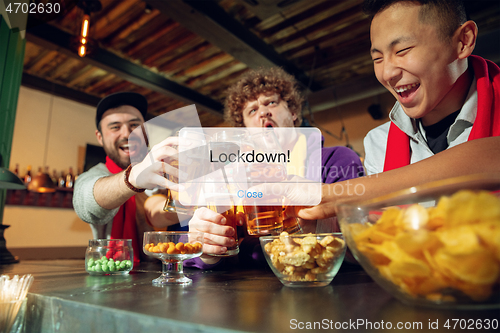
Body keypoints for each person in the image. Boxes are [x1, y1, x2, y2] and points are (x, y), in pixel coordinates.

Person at [285, 0, 500, 222]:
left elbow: (492, 155)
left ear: (463, 41)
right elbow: (377, 237)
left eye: (402, 50)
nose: (387, 72)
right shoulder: (378, 142)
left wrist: (333, 193)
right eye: (377, 58)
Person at [184, 67, 364, 268]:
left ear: (293, 113)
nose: (263, 112)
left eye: (271, 102)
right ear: (244, 130)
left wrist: (318, 224)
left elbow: (359, 239)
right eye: (252, 110)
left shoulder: (337, 160)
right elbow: (194, 249)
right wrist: (207, 251)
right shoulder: (232, 177)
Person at [73, 92, 181, 264]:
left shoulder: (169, 168)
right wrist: (133, 178)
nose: (127, 134)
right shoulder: (95, 175)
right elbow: (86, 203)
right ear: (99, 137)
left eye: (135, 125)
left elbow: (161, 211)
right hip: (111, 276)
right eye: (115, 127)